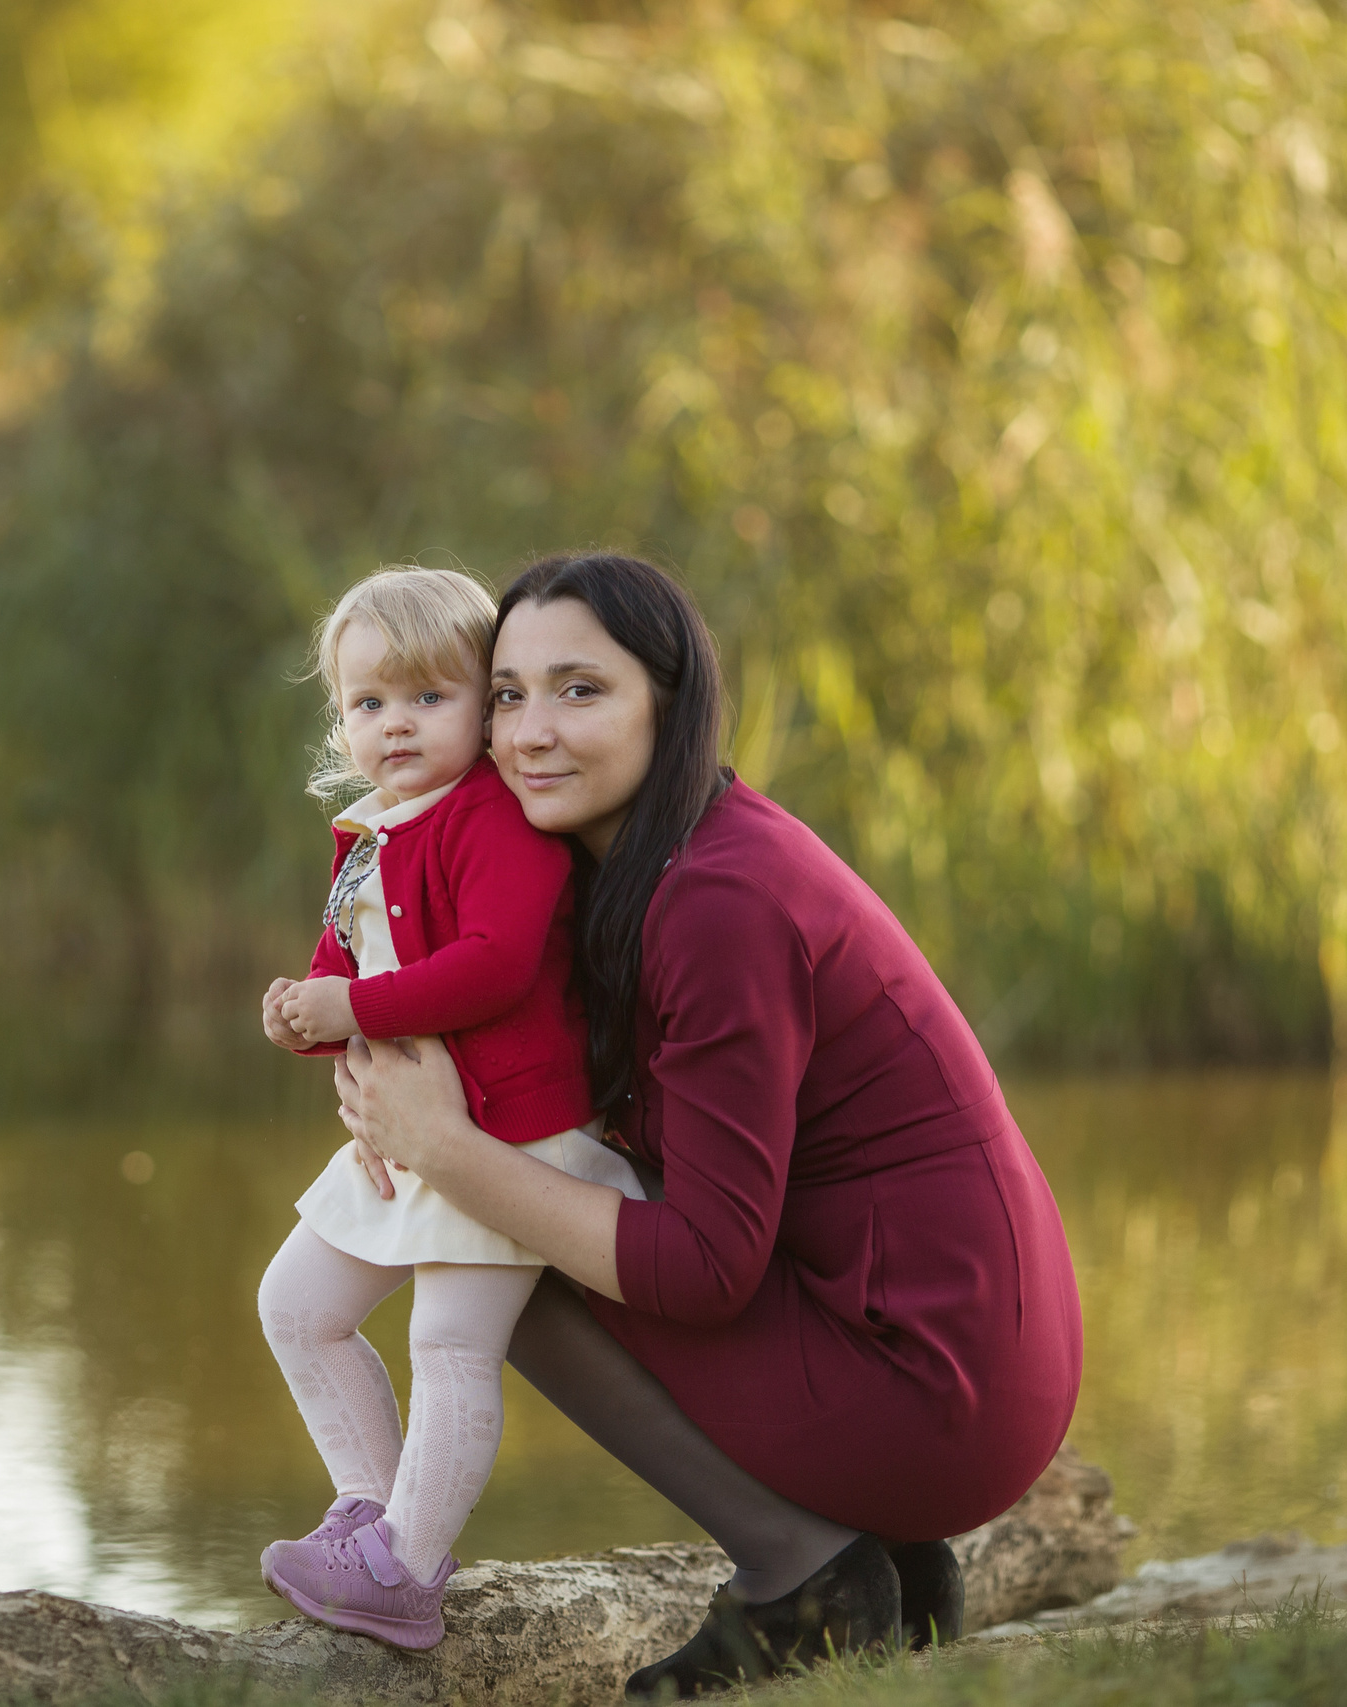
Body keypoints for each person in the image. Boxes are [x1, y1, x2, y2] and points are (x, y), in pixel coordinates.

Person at [331, 552, 1084, 1694]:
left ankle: (804, 1576)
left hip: (937, 1390)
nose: (531, 732)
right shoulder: (652, 858)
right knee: (494, 1199)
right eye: (509, 695)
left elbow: (708, 1268)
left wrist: (446, 1150)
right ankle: (875, 1555)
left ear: (666, 707)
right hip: (954, 1353)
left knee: (486, 1238)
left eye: (582, 691)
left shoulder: (719, 901)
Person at [253, 566, 648, 1650]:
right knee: (296, 1305)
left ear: (485, 706)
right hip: (411, 1135)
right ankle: (374, 1519)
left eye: (430, 697)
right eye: (368, 704)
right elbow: (346, 959)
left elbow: (495, 967)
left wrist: (354, 1003)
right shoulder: (372, 830)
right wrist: (307, 1013)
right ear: (338, 717)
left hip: (510, 1133)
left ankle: (409, 1569)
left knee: (451, 1345)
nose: (395, 725)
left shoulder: (494, 821)